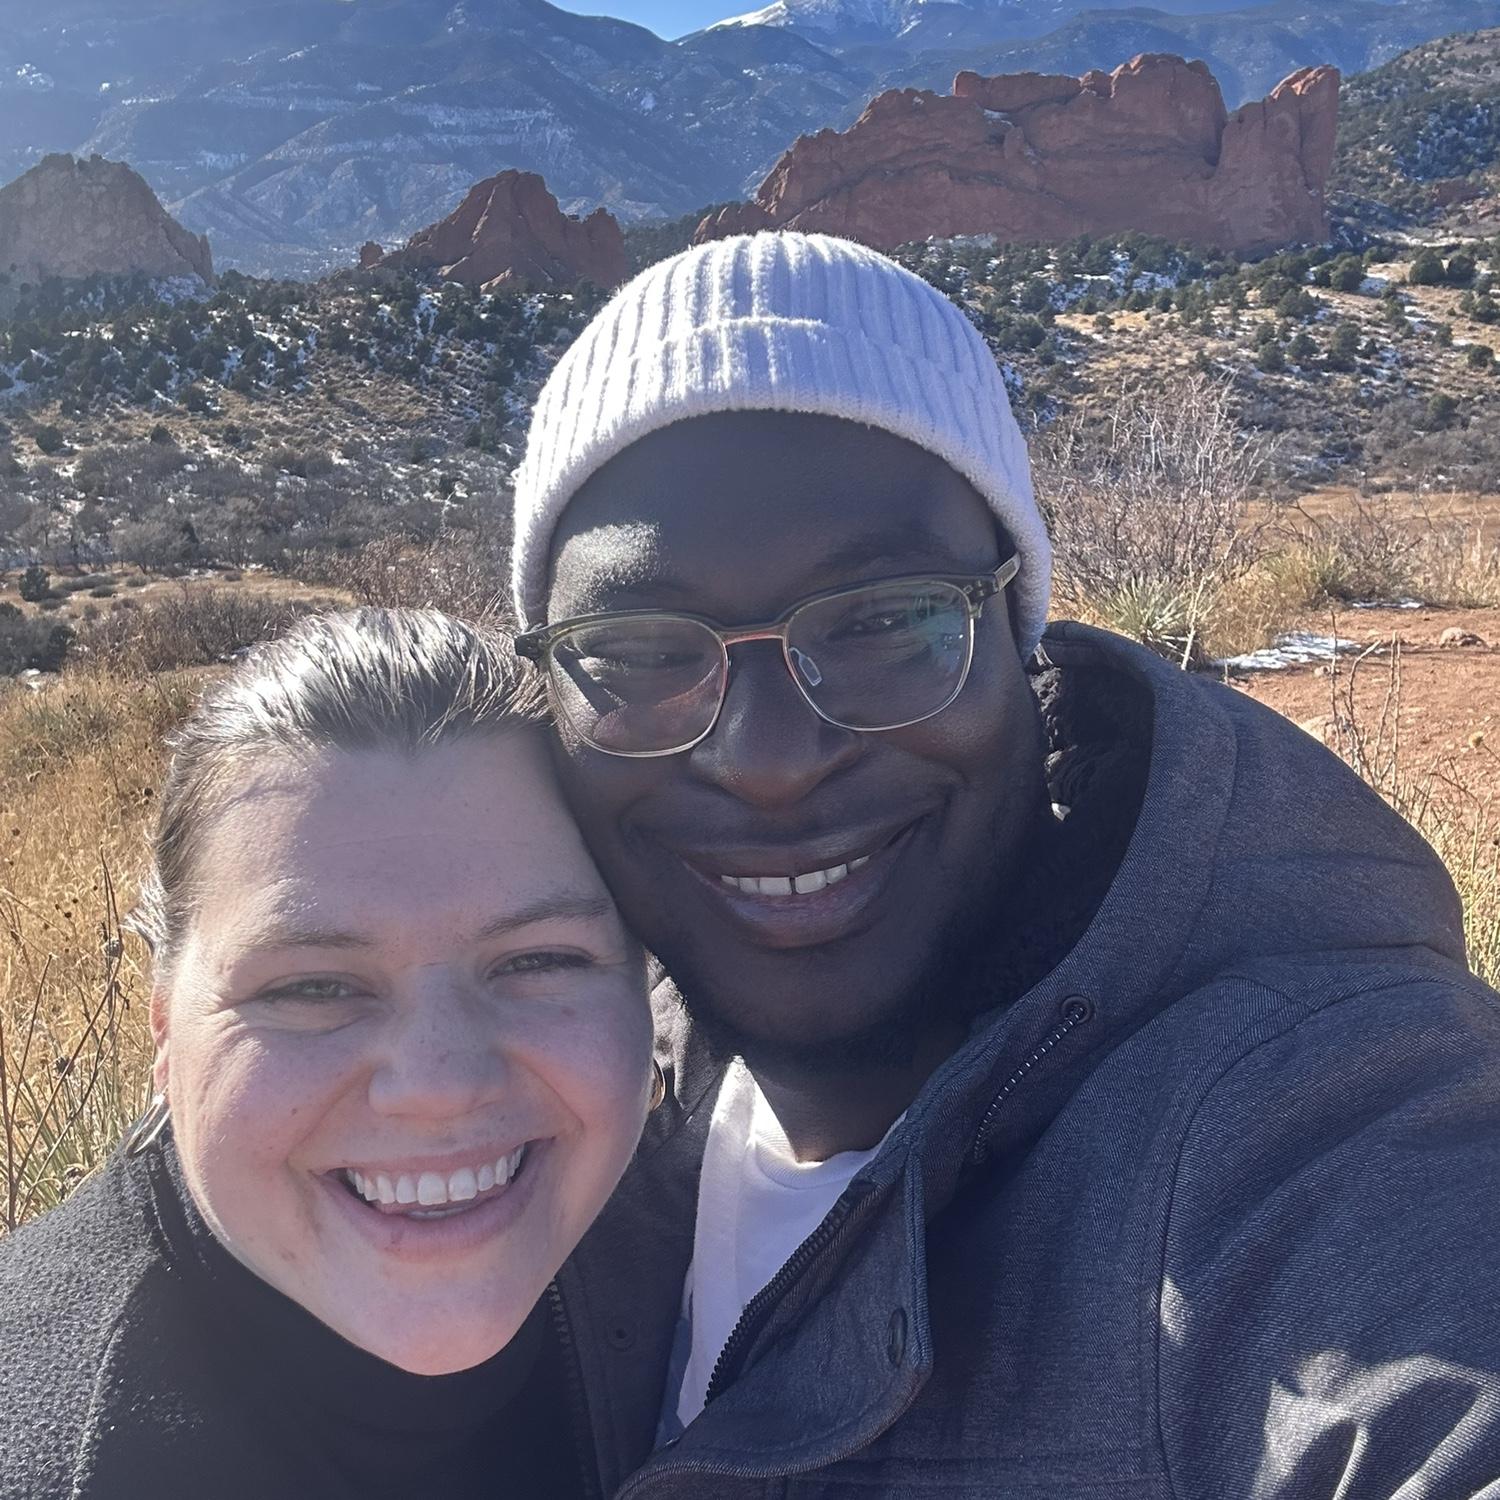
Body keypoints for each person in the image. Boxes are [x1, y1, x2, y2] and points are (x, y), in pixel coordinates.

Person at [514, 232, 1500, 1497]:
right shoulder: (569, 1094)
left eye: (884, 622)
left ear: (1019, 642)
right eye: (644, 652)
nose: (768, 763)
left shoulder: (1300, 1114)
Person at [0, 608, 654, 1499]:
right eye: (312, 987)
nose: (438, 1085)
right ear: (163, 1028)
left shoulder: (716, 1247)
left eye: (539, 962)